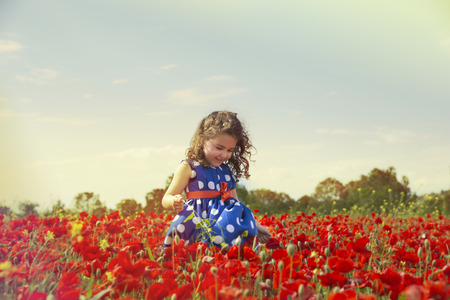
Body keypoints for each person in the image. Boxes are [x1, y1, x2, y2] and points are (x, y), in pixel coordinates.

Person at [162, 110, 271, 249]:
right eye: (219, 148)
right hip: (195, 224)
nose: (224, 155)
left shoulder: (226, 172)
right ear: (202, 140)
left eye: (230, 150)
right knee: (192, 257)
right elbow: (166, 197)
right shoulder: (189, 167)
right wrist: (173, 201)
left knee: (224, 258)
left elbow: (237, 205)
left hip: (225, 228)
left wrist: (257, 226)